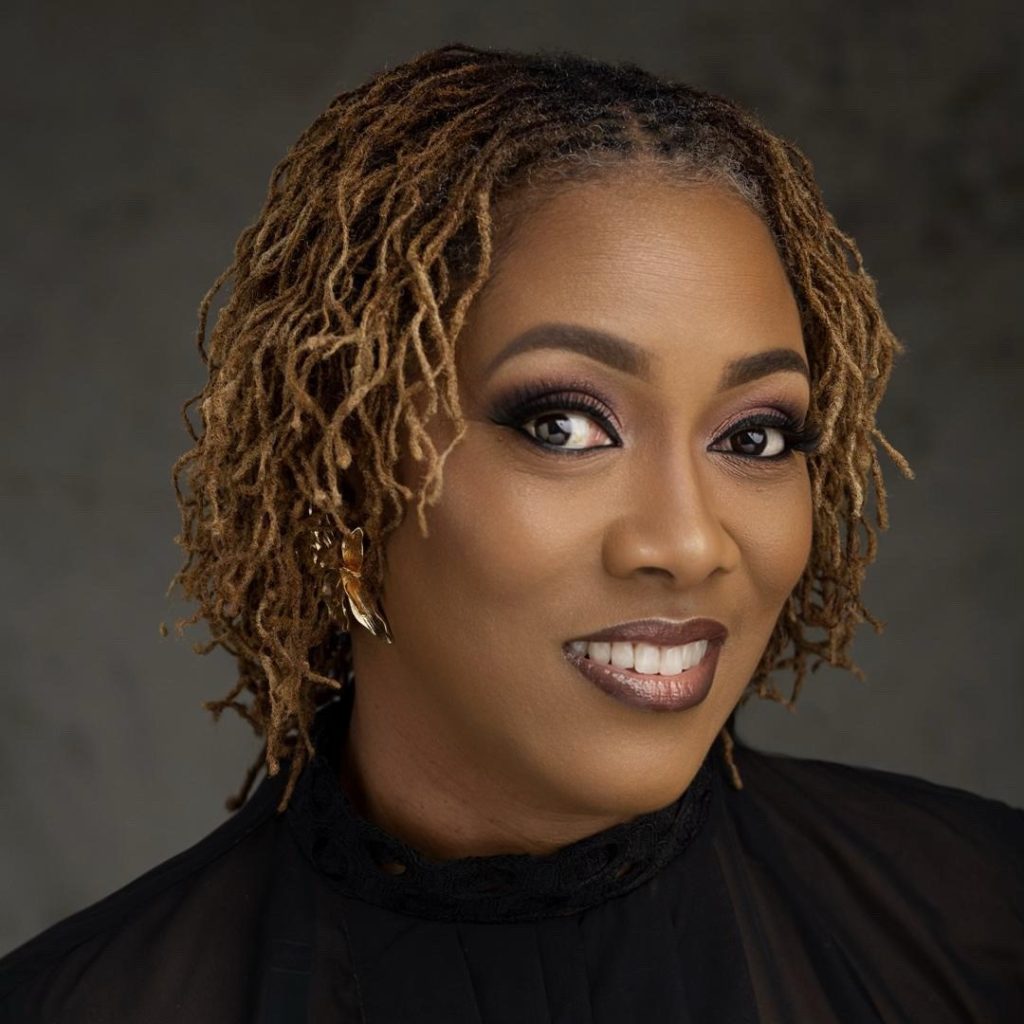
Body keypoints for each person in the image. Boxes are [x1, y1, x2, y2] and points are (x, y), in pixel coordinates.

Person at [1, 42, 1021, 1023]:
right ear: (344, 477)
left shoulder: (987, 928)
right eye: (564, 425)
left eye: (753, 436)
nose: (689, 542)